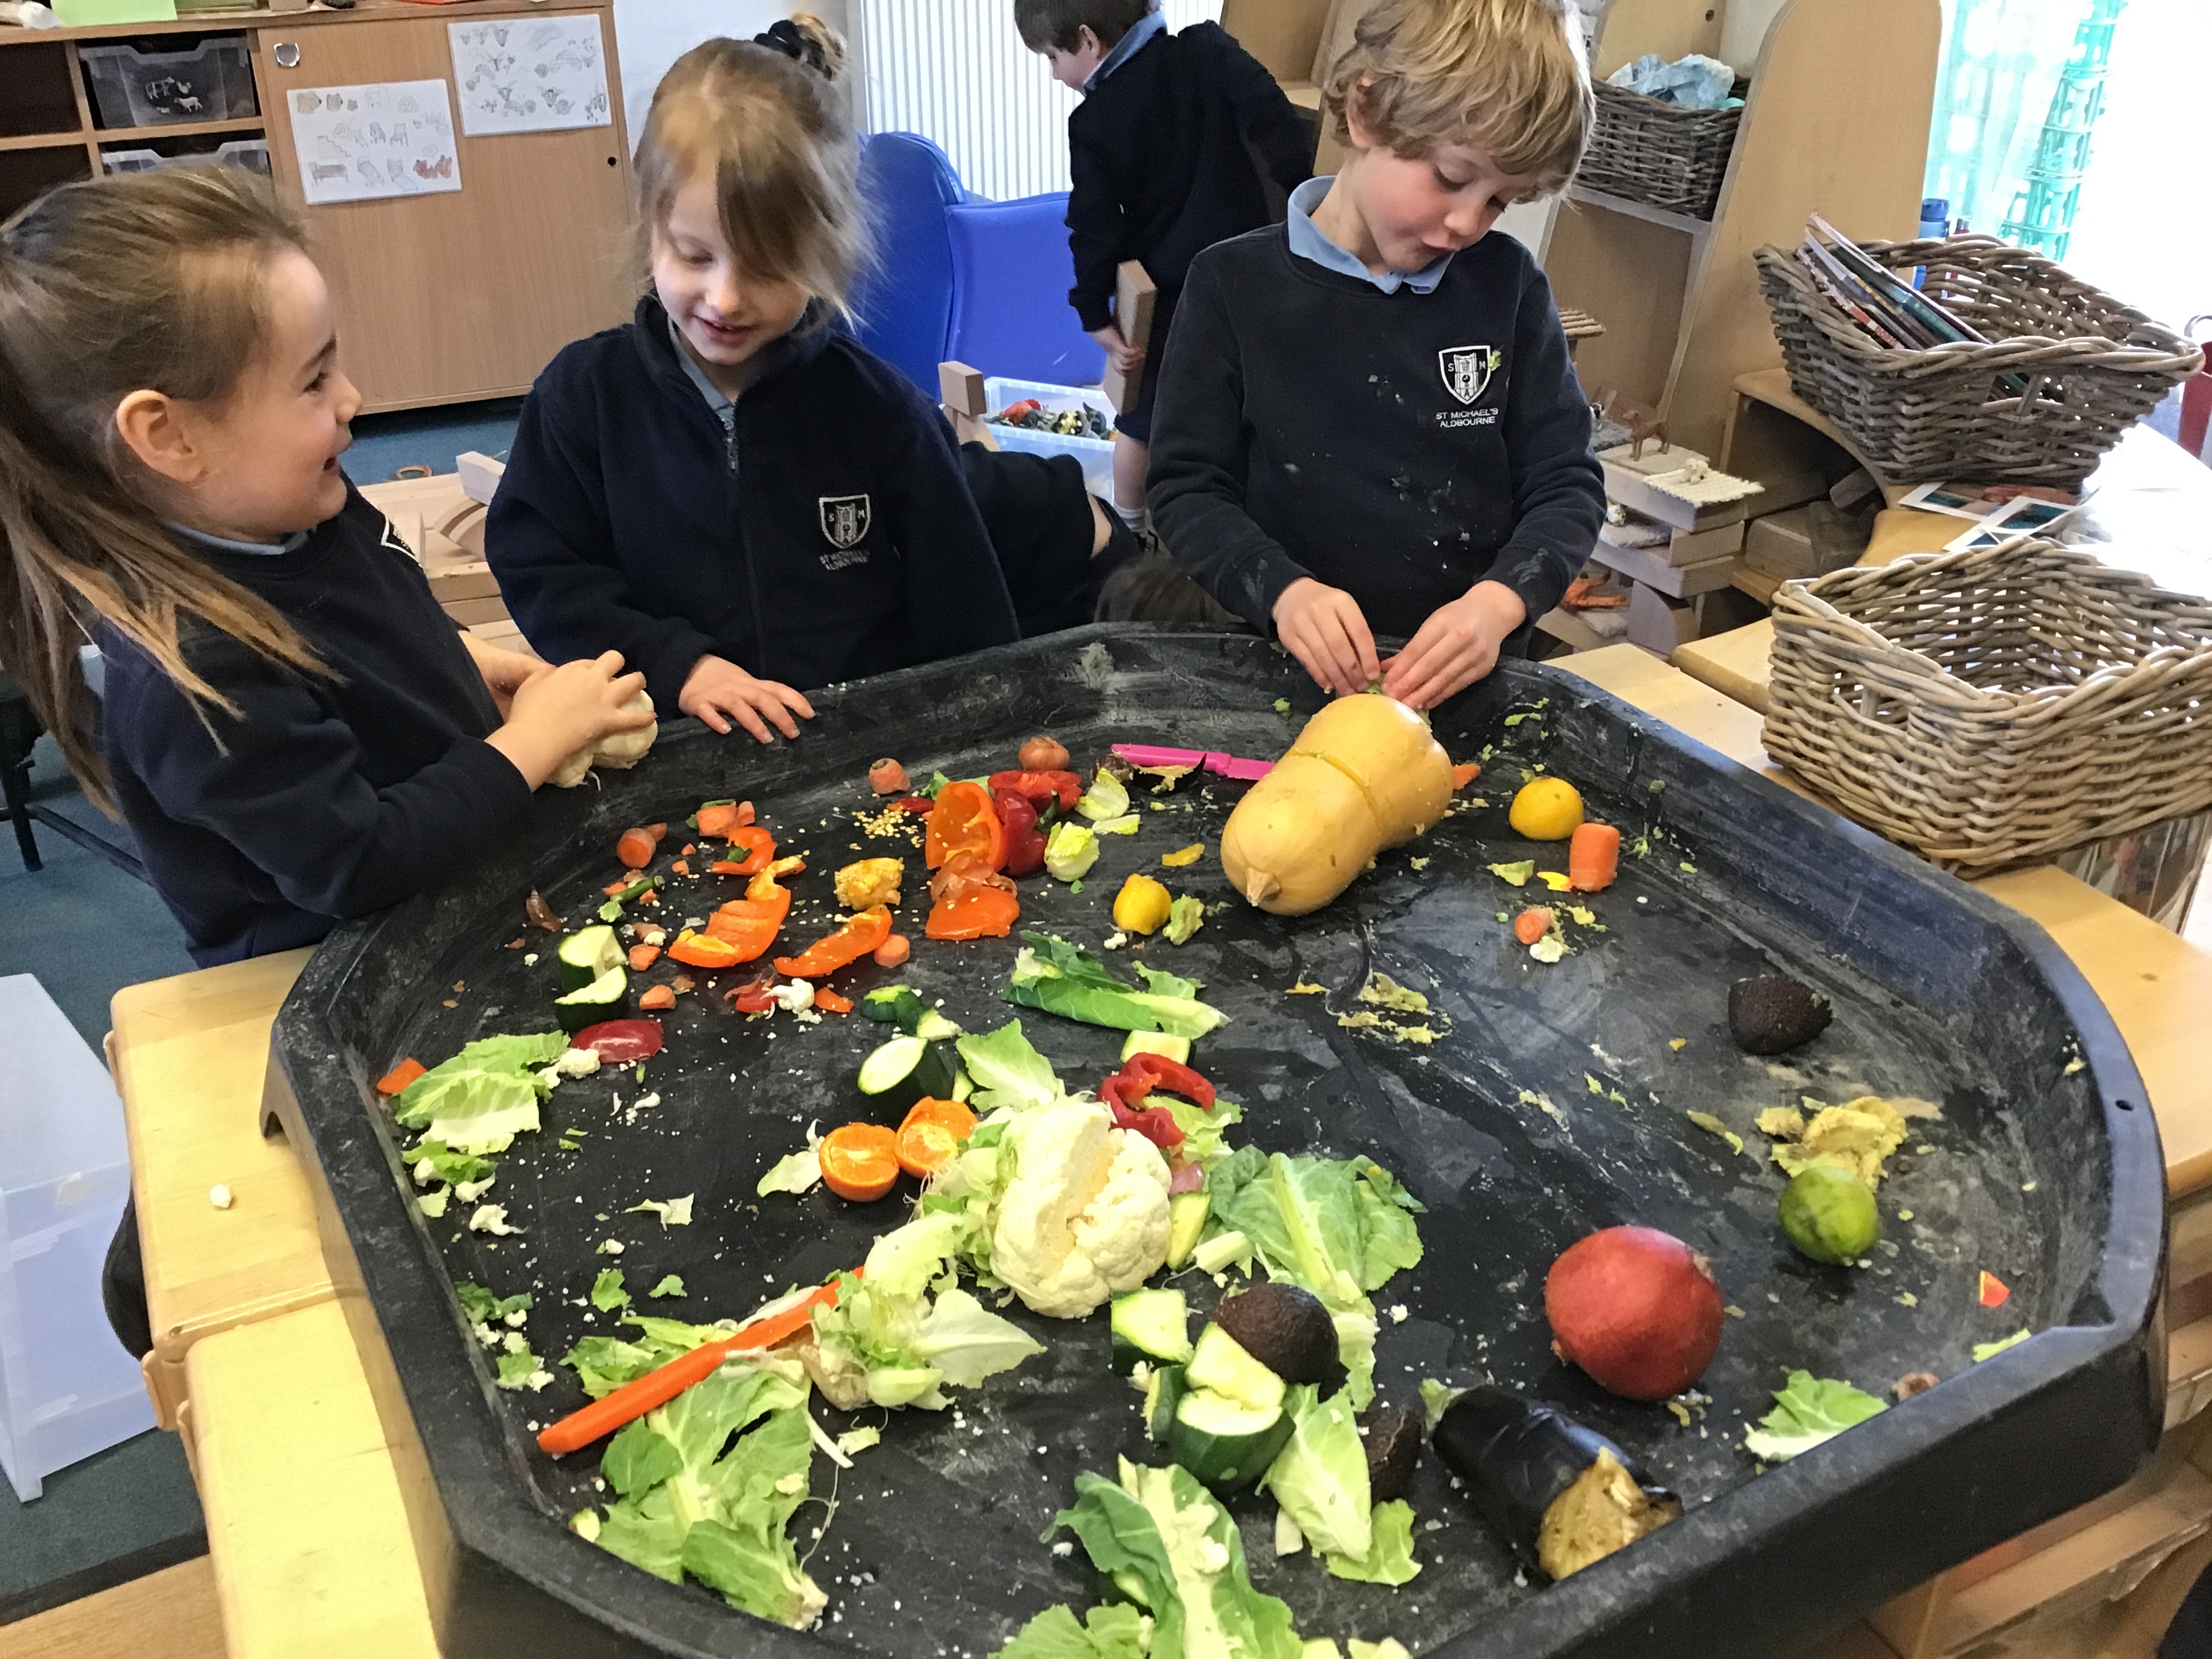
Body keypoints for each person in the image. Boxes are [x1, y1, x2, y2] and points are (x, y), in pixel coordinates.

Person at [0, 166, 652, 1355]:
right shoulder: (190, 670)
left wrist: (473, 667)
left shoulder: (298, 503)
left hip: (442, 889)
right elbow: (356, 859)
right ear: (167, 435)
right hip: (330, 983)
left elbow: (378, 620)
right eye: (311, 382)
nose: (353, 400)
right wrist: (529, 742)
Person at [487, 20, 1039, 744]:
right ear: (651, 229)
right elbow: (545, 574)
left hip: (855, 757)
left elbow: (966, 614)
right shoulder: (583, 398)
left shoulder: (883, 413)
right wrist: (677, 664)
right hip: (666, 747)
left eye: (767, 268)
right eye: (695, 257)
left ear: (826, 254)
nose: (725, 299)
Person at [1148, 0, 1607, 712]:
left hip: (1465, 685)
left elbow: (1566, 482)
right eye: (1450, 178)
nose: (1466, 223)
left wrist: (1497, 605)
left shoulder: (1507, 286)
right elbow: (1188, 489)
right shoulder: (1230, 286)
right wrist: (1283, 592)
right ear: (1365, 112)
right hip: (1287, 676)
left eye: (1500, 202)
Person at [1017, 0, 1313, 535]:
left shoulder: (1095, 120)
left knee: (1139, 421)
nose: (1056, 75)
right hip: (1256, 270)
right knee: (1248, 410)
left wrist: (1094, 313)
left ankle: (1130, 533)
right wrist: (1303, 204)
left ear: (1088, 40)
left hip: (1174, 294)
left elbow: (1094, 226)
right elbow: (1278, 124)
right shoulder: (1209, 49)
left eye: (1052, 58)